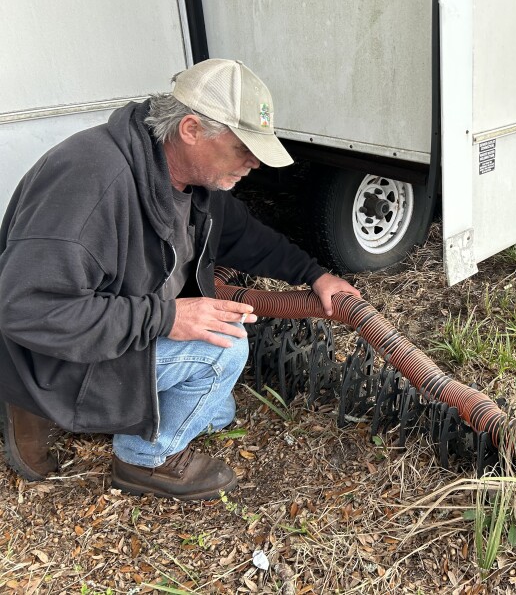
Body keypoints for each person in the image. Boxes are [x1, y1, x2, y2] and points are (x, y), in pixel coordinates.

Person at [0, 59, 361, 500]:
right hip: (51, 353)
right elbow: (27, 310)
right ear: (191, 129)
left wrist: (314, 275)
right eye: (242, 148)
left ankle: (113, 408)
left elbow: (246, 237)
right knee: (223, 353)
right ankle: (139, 458)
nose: (253, 163)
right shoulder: (92, 182)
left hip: (116, 331)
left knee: (217, 413)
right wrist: (168, 317)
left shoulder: (190, 177)